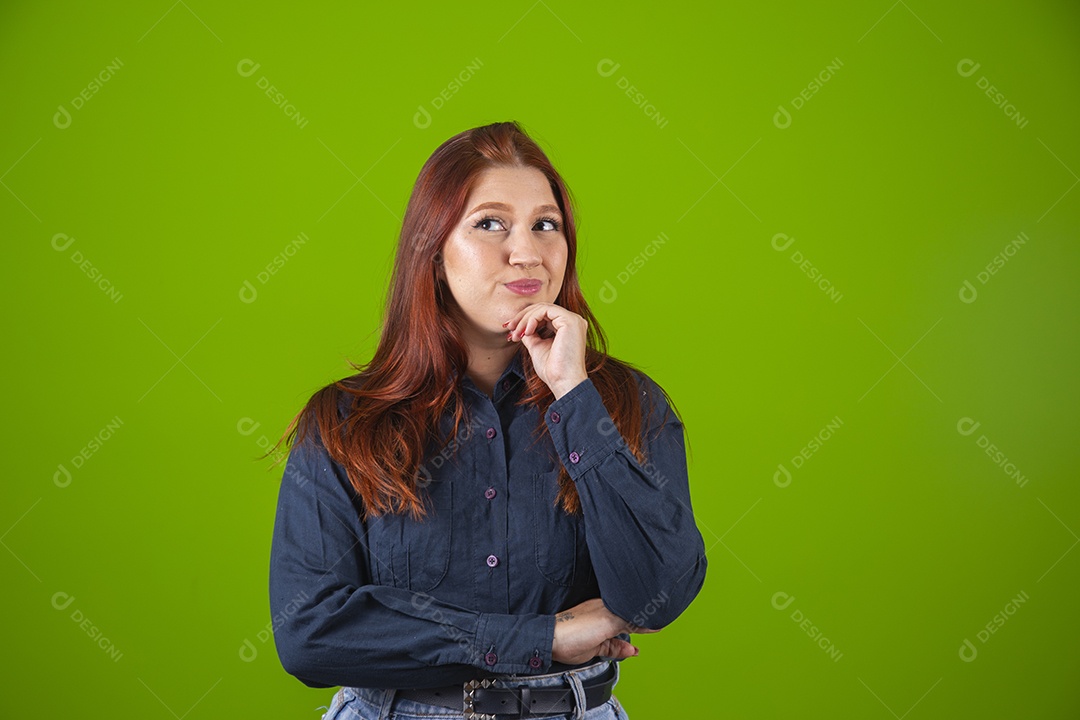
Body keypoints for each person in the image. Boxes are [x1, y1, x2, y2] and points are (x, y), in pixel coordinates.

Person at [267, 120, 707, 720]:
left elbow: (655, 596)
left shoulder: (629, 403)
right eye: (489, 223)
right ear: (434, 251)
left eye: (545, 225)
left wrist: (573, 393)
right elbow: (311, 635)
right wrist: (544, 637)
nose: (525, 252)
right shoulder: (345, 423)